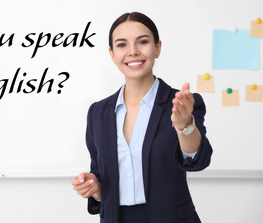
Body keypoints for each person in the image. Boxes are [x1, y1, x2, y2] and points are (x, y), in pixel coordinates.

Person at [71, 12, 213, 223]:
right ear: (111, 54)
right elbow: (101, 178)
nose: (133, 51)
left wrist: (185, 126)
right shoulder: (98, 113)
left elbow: (196, 159)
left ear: (157, 48)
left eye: (143, 42)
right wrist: (93, 185)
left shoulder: (181, 104)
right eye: (122, 45)